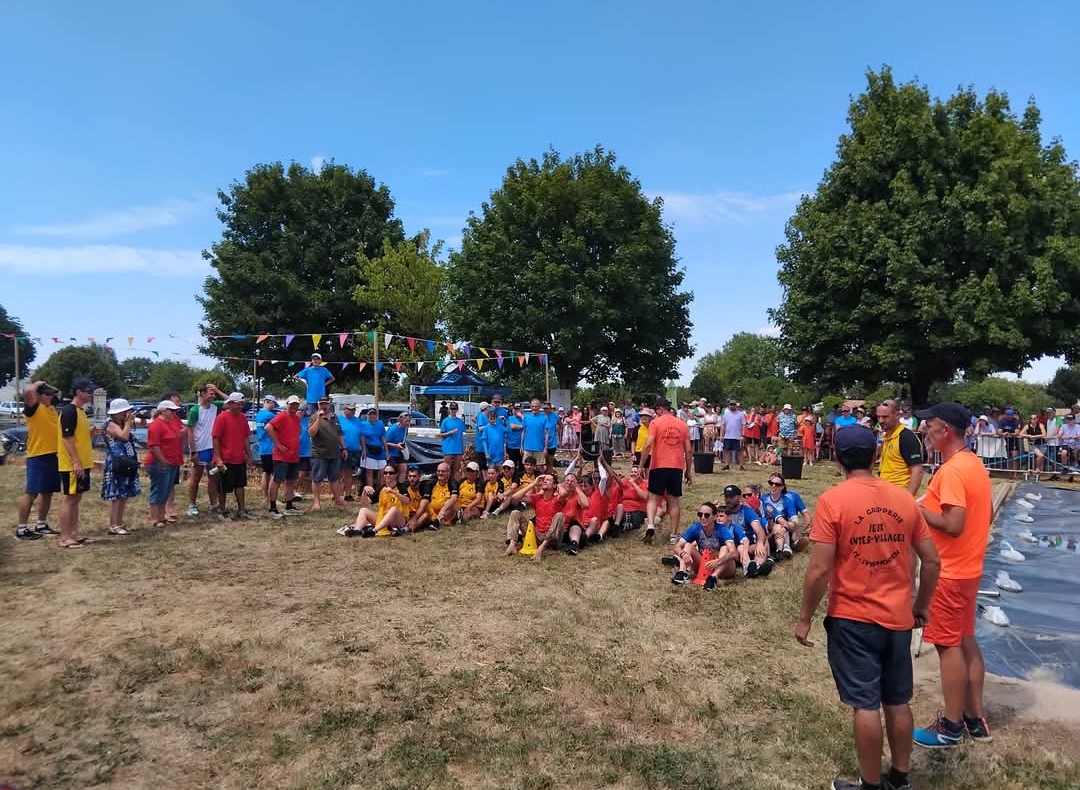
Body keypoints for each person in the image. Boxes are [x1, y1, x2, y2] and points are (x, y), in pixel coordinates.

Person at [794, 425, 941, 790]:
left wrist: (804, 618)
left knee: (866, 704)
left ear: (837, 459)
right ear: (876, 456)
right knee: (898, 700)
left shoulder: (833, 500)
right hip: (898, 617)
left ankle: (871, 784)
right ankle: (900, 778)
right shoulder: (904, 499)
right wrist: (921, 605)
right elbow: (931, 560)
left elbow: (820, 569)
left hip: (853, 618)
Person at [911, 402, 995, 749]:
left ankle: (950, 726)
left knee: (948, 647)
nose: (924, 430)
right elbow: (986, 513)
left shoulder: (952, 471)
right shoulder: (974, 464)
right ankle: (975, 721)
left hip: (949, 572)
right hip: (969, 569)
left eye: (928, 425)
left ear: (945, 430)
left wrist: (917, 511)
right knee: (965, 641)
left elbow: (954, 524)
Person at [638, 396, 692, 544]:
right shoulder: (682, 424)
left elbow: (648, 444)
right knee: (674, 501)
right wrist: (688, 471)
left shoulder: (655, 423)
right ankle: (673, 535)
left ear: (660, 409)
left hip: (658, 465)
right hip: (676, 467)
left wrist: (641, 465)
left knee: (653, 498)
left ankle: (650, 524)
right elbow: (688, 450)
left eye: (656, 410)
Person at [15, 380, 62, 540]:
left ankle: (41, 524)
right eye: (46, 394)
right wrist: (37, 384)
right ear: (39, 396)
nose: (50, 397)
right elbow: (29, 391)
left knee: (47, 492)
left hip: (53, 455)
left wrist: (49, 388)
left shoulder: (51, 407)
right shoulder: (33, 409)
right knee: (31, 493)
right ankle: (21, 529)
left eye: (50, 395)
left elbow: (59, 392)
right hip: (38, 455)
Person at [56, 378, 96, 547]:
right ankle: (65, 537)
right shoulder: (69, 411)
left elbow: (78, 437)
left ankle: (73, 533)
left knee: (76, 498)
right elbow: (67, 438)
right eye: (89, 391)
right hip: (72, 464)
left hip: (83, 462)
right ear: (79, 392)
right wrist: (76, 462)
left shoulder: (80, 412)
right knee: (70, 499)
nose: (91, 394)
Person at [670, 502, 742, 587]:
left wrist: (718, 561)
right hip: (705, 564)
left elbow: (734, 553)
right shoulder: (696, 528)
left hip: (723, 567)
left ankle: (713, 578)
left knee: (725, 548)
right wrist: (683, 554)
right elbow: (676, 547)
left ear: (715, 517)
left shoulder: (722, 529)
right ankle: (682, 573)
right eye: (700, 514)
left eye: (707, 515)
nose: (703, 518)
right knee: (688, 545)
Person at [211, 392, 256, 520]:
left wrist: (249, 455)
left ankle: (241, 510)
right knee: (223, 487)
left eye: (242, 404)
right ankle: (222, 511)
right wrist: (218, 458)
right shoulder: (221, 418)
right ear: (230, 403)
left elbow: (246, 438)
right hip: (225, 458)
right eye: (238, 404)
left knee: (240, 485)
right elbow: (215, 438)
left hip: (239, 458)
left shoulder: (243, 418)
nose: (241, 406)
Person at [185, 382, 226, 517]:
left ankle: (213, 504)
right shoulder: (195, 410)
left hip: (212, 448)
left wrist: (217, 390)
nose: (213, 396)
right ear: (202, 394)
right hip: (200, 448)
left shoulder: (216, 406)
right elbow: (190, 432)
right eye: (210, 393)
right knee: (196, 477)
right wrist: (193, 451)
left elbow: (231, 401)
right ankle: (192, 504)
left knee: (213, 477)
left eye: (214, 394)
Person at [101, 398, 141, 535]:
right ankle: (114, 524)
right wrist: (128, 422)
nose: (127, 414)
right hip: (116, 463)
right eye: (125, 411)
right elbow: (123, 436)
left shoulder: (122, 423)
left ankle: (119, 522)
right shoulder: (110, 424)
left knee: (123, 494)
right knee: (116, 495)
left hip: (126, 462)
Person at [503, 473, 565, 560]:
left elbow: (563, 493)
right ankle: (512, 545)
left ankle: (542, 548)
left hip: (553, 539)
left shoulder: (557, 499)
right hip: (537, 535)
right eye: (544, 480)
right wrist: (533, 484)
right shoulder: (537, 497)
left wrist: (558, 484)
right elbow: (515, 497)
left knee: (560, 515)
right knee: (515, 513)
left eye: (548, 480)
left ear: (554, 485)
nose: (544, 481)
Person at [146, 399, 184, 529]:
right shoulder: (156, 425)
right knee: (158, 490)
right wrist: (162, 461)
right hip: (159, 462)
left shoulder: (169, 423)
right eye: (171, 410)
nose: (174, 413)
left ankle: (161, 516)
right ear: (163, 411)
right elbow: (154, 445)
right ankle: (155, 518)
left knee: (165, 490)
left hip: (171, 462)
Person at [719, 484, 772, 578]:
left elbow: (759, 531)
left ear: (739, 497)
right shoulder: (722, 512)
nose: (728, 500)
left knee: (761, 545)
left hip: (748, 545)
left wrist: (760, 543)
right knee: (739, 547)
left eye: (731, 497)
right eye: (726, 497)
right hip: (730, 548)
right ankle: (753, 568)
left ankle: (756, 566)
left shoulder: (747, 511)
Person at [265, 395, 304, 519]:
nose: (294, 406)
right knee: (277, 480)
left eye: (296, 404)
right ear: (287, 404)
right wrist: (277, 443)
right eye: (291, 404)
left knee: (291, 481)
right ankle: (272, 507)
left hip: (293, 455)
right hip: (281, 456)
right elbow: (268, 427)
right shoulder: (282, 416)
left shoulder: (296, 418)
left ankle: (289, 506)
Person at [875, 399, 924, 496]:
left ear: (897, 415)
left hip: (900, 496)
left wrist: (908, 498)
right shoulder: (887, 436)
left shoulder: (906, 438)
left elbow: (917, 471)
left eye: (885, 417)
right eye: (878, 417)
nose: (880, 421)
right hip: (887, 494)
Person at [308, 396, 347, 510]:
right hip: (319, 454)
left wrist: (344, 448)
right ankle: (316, 502)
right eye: (321, 404)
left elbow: (339, 434)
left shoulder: (335, 417)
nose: (324, 406)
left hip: (334, 453)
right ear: (318, 405)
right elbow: (311, 433)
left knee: (334, 478)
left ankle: (337, 500)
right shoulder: (314, 417)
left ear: (329, 405)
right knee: (317, 478)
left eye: (326, 404)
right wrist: (318, 418)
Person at [255, 395, 279, 505]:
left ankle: (265, 497)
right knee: (274, 473)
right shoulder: (270, 415)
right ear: (268, 402)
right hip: (271, 447)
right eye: (273, 403)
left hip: (263, 447)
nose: (274, 406)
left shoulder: (259, 414)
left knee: (266, 472)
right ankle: (272, 497)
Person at [357, 407, 388, 489]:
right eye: (370, 414)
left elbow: (383, 437)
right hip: (369, 450)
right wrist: (363, 449)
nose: (372, 415)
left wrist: (387, 451)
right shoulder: (363, 424)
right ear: (367, 415)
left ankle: (381, 491)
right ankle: (370, 492)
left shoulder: (380, 423)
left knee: (382, 472)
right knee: (369, 472)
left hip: (380, 450)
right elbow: (362, 437)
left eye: (374, 414)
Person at [338, 403, 364, 501]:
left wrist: (364, 448)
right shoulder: (339, 420)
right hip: (341, 449)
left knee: (349, 473)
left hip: (354, 450)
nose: (352, 411)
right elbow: (336, 435)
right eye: (350, 409)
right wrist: (342, 448)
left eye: (353, 409)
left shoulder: (357, 421)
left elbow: (361, 435)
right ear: (345, 409)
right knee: (339, 473)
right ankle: (337, 494)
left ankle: (348, 494)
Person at [439, 402, 466, 479]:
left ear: (457, 410)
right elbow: (441, 434)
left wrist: (463, 448)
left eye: (455, 409)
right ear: (449, 409)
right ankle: (446, 484)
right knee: (447, 469)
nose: (453, 410)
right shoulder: (445, 421)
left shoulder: (460, 421)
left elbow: (463, 434)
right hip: (448, 448)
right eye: (452, 409)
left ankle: (456, 484)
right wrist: (451, 432)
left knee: (457, 469)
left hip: (458, 448)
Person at [720, 399, 745, 470]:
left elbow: (743, 425)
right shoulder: (726, 414)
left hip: (737, 436)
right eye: (731, 404)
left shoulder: (741, 414)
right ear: (728, 405)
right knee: (727, 451)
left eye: (734, 405)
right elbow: (723, 425)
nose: (732, 406)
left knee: (739, 451)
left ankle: (741, 465)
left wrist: (742, 435)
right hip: (727, 436)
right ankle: (727, 465)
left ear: (736, 405)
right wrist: (721, 435)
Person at [385, 412, 410, 479]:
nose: (408, 423)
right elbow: (385, 442)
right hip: (390, 454)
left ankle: (400, 484)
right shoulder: (393, 429)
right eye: (406, 421)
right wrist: (396, 446)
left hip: (398, 453)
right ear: (401, 421)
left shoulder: (405, 428)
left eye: (409, 421)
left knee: (403, 468)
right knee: (391, 471)